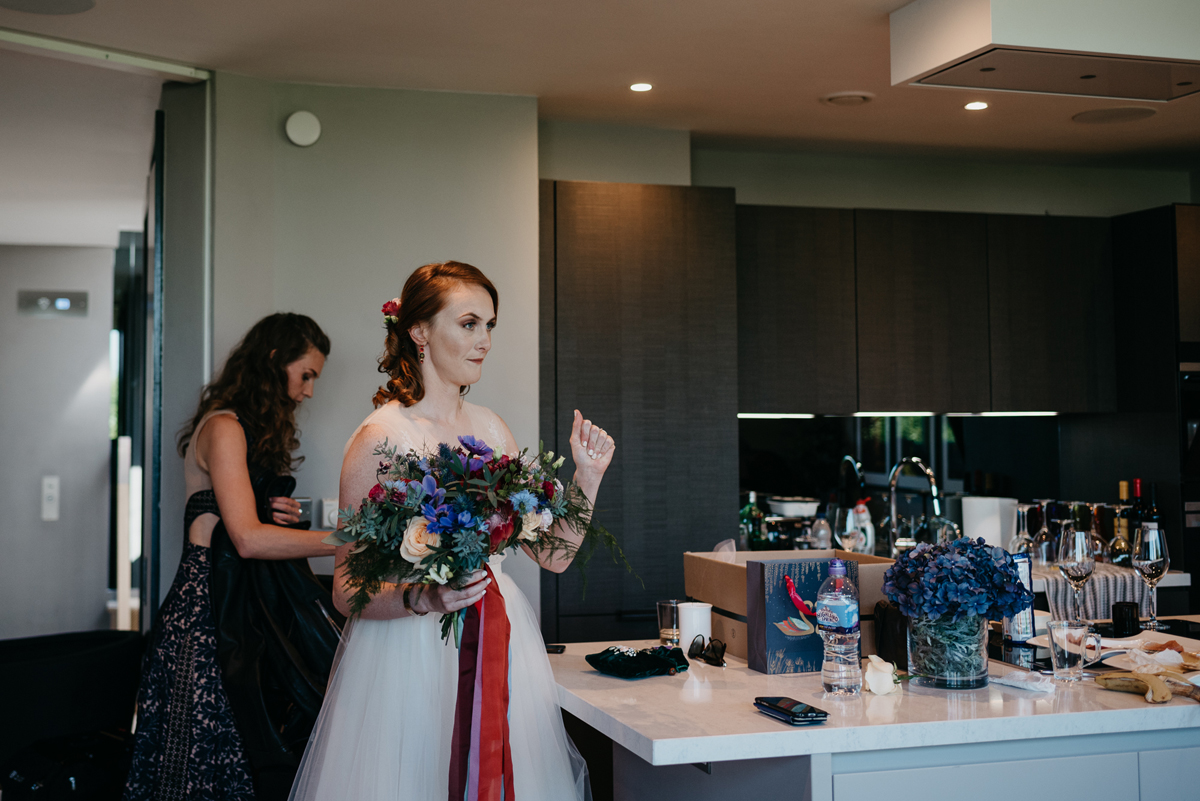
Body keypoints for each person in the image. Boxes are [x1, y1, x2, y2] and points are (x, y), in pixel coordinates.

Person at [289, 261, 614, 800]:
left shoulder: (493, 428)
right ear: (419, 332)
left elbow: (553, 556)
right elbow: (347, 591)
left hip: (498, 641)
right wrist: (427, 596)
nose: (484, 340)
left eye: (490, 325)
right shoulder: (378, 439)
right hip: (405, 662)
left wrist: (588, 478)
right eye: (469, 324)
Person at [125, 313, 339, 801]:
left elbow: (241, 519)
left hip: (236, 605)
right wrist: (344, 541)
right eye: (305, 374)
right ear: (273, 360)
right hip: (206, 610)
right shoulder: (224, 427)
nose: (307, 391)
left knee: (234, 752)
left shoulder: (244, 432)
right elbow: (246, 540)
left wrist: (273, 508)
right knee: (206, 754)